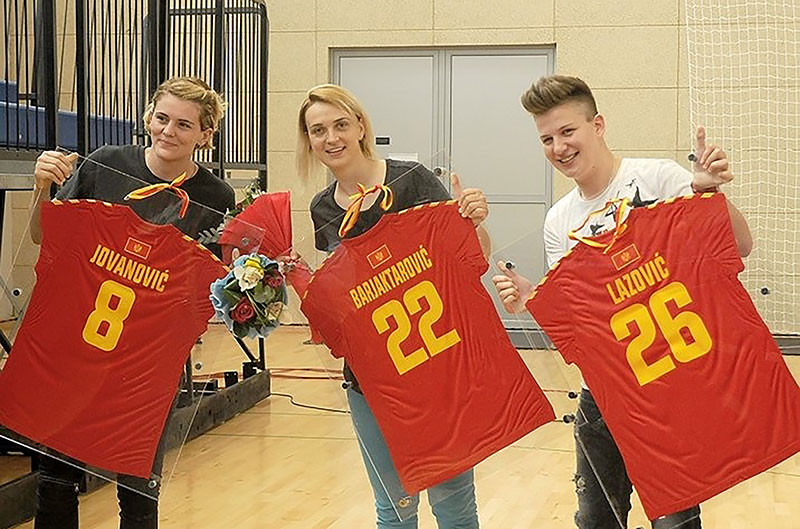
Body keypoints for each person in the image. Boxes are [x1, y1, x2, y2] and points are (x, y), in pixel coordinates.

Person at [491, 74, 752, 529]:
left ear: (598, 125)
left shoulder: (661, 179)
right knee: (595, 520)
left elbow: (740, 246)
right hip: (601, 398)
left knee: (674, 522)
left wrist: (709, 196)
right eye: (547, 139)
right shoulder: (559, 220)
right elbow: (578, 327)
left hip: (668, 393)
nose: (559, 147)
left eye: (567, 131)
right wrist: (534, 301)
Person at [27, 76, 235, 529]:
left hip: (147, 363)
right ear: (147, 117)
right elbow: (44, 237)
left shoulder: (216, 197)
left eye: (184, 124)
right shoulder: (105, 164)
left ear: (205, 135)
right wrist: (41, 187)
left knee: (139, 493)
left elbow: (204, 286)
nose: (168, 131)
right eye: (162, 118)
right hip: (81, 347)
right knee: (56, 482)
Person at [297, 83, 489, 529]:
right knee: (393, 508)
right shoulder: (323, 208)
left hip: (436, 371)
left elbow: (470, 259)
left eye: (341, 125)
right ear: (309, 140)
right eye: (318, 130)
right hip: (370, 379)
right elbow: (343, 296)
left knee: (455, 507)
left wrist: (475, 222)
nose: (331, 138)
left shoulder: (412, 179)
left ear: (361, 127)